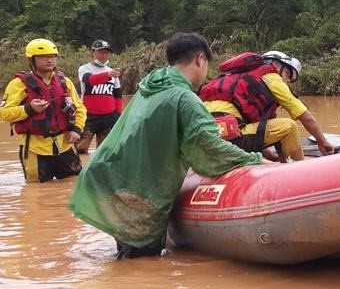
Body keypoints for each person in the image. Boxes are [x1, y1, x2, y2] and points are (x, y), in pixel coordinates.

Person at [68, 33, 266, 259]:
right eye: (206, 65)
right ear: (200, 59)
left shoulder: (151, 85)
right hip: (135, 195)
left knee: (128, 261)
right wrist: (254, 159)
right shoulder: (185, 98)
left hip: (107, 177)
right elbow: (208, 151)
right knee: (142, 264)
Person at [201, 50, 334, 160]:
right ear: (276, 66)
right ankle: (302, 170)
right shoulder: (271, 76)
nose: (287, 81)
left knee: (277, 127)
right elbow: (305, 116)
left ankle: (283, 163)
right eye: (287, 74)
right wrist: (321, 141)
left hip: (207, 140)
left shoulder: (234, 78)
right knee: (289, 126)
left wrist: (267, 154)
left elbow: (258, 128)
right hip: (230, 137)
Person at [1, 38, 87, 183]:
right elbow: (4, 114)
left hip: (65, 146)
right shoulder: (18, 84)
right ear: (32, 60)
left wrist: (77, 129)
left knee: (75, 185)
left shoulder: (65, 81)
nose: (50, 60)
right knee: (36, 193)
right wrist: (29, 109)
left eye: (52, 57)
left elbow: (80, 109)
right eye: (44, 57)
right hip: (35, 150)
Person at [76, 39, 123, 154]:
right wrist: (107, 75)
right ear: (93, 53)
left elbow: (118, 95)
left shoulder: (112, 72)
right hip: (89, 116)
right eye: (101, 52)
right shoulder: (84, 69)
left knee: (105, 152)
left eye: (107, 52)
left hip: (109, 117)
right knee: (80, 150)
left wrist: (118, 115)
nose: (104, 55)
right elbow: (89, 80)